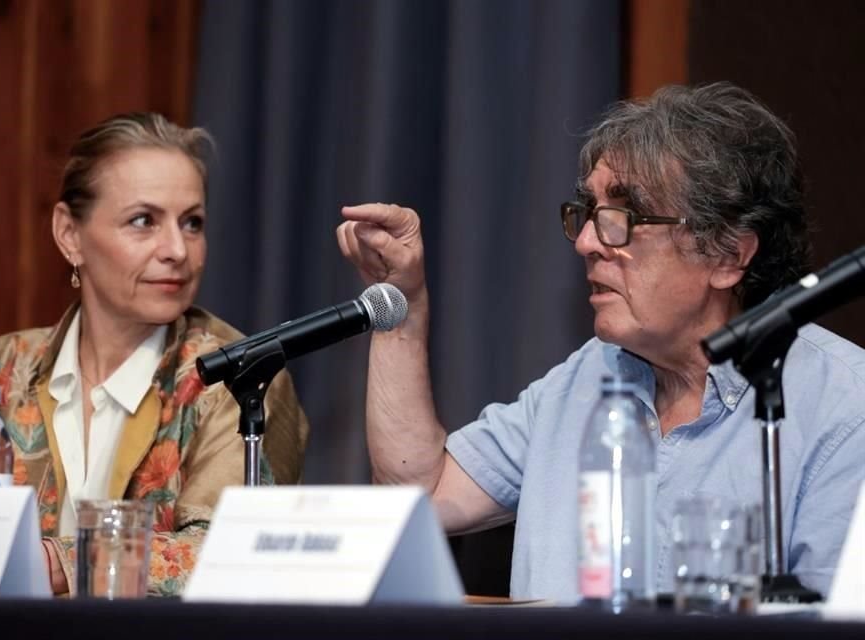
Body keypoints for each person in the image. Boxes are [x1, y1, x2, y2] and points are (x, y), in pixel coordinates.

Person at [336, 82, 865, 603]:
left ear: (728, 255)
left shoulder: (843, 409)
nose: (587, 242)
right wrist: (400, 307)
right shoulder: (588, 376)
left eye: (623, 218)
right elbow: (422, 495)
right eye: (588, 213)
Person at [0, 112, 310, 597]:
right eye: (143, 221)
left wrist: (58, 561)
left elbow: (232, 552)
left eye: (192, 223)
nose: (177, 250)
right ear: (69, 234)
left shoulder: (242, 374)